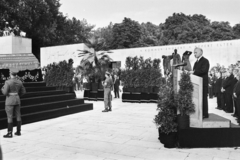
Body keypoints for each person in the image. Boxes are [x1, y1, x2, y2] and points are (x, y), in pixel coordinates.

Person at [1, 71, 26, 138]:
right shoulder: (19, 82)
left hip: (9, 101)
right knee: (18, 115)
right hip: (17, 100)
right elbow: (23, 92)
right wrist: (17, 95)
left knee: (10, 116)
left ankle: (9, 133)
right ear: (16, 75)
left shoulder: (7, 82)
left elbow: (5, 92)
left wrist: (2, 89)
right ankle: (18, 131)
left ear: (10, 74)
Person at [189, 47, 210, 118]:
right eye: (194, 53)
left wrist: (194, 72)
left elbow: (204, 71)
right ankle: (199, 113)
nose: (194, 54)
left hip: (203, 83)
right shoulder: (196, 62)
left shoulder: (205, 61)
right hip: (197, 83)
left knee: (203, 98)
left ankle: (204, 114)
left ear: (201, 52)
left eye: (196, 52)